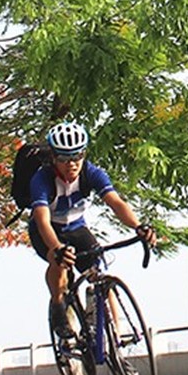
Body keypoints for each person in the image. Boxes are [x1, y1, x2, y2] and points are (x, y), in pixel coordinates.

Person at [29, 121, 156, 339]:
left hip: (77, 226)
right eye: (64, 158)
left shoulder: (92, 173)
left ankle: (115, 338)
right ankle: (58, 306)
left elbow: (116, 203)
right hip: (48, 230)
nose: (72, 164)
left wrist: (138, 226)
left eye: (77, 156)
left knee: (101, 276)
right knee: (59, 260)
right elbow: (42, 220)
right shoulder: (42, 179)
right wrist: (58, 248)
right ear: (53, 158)